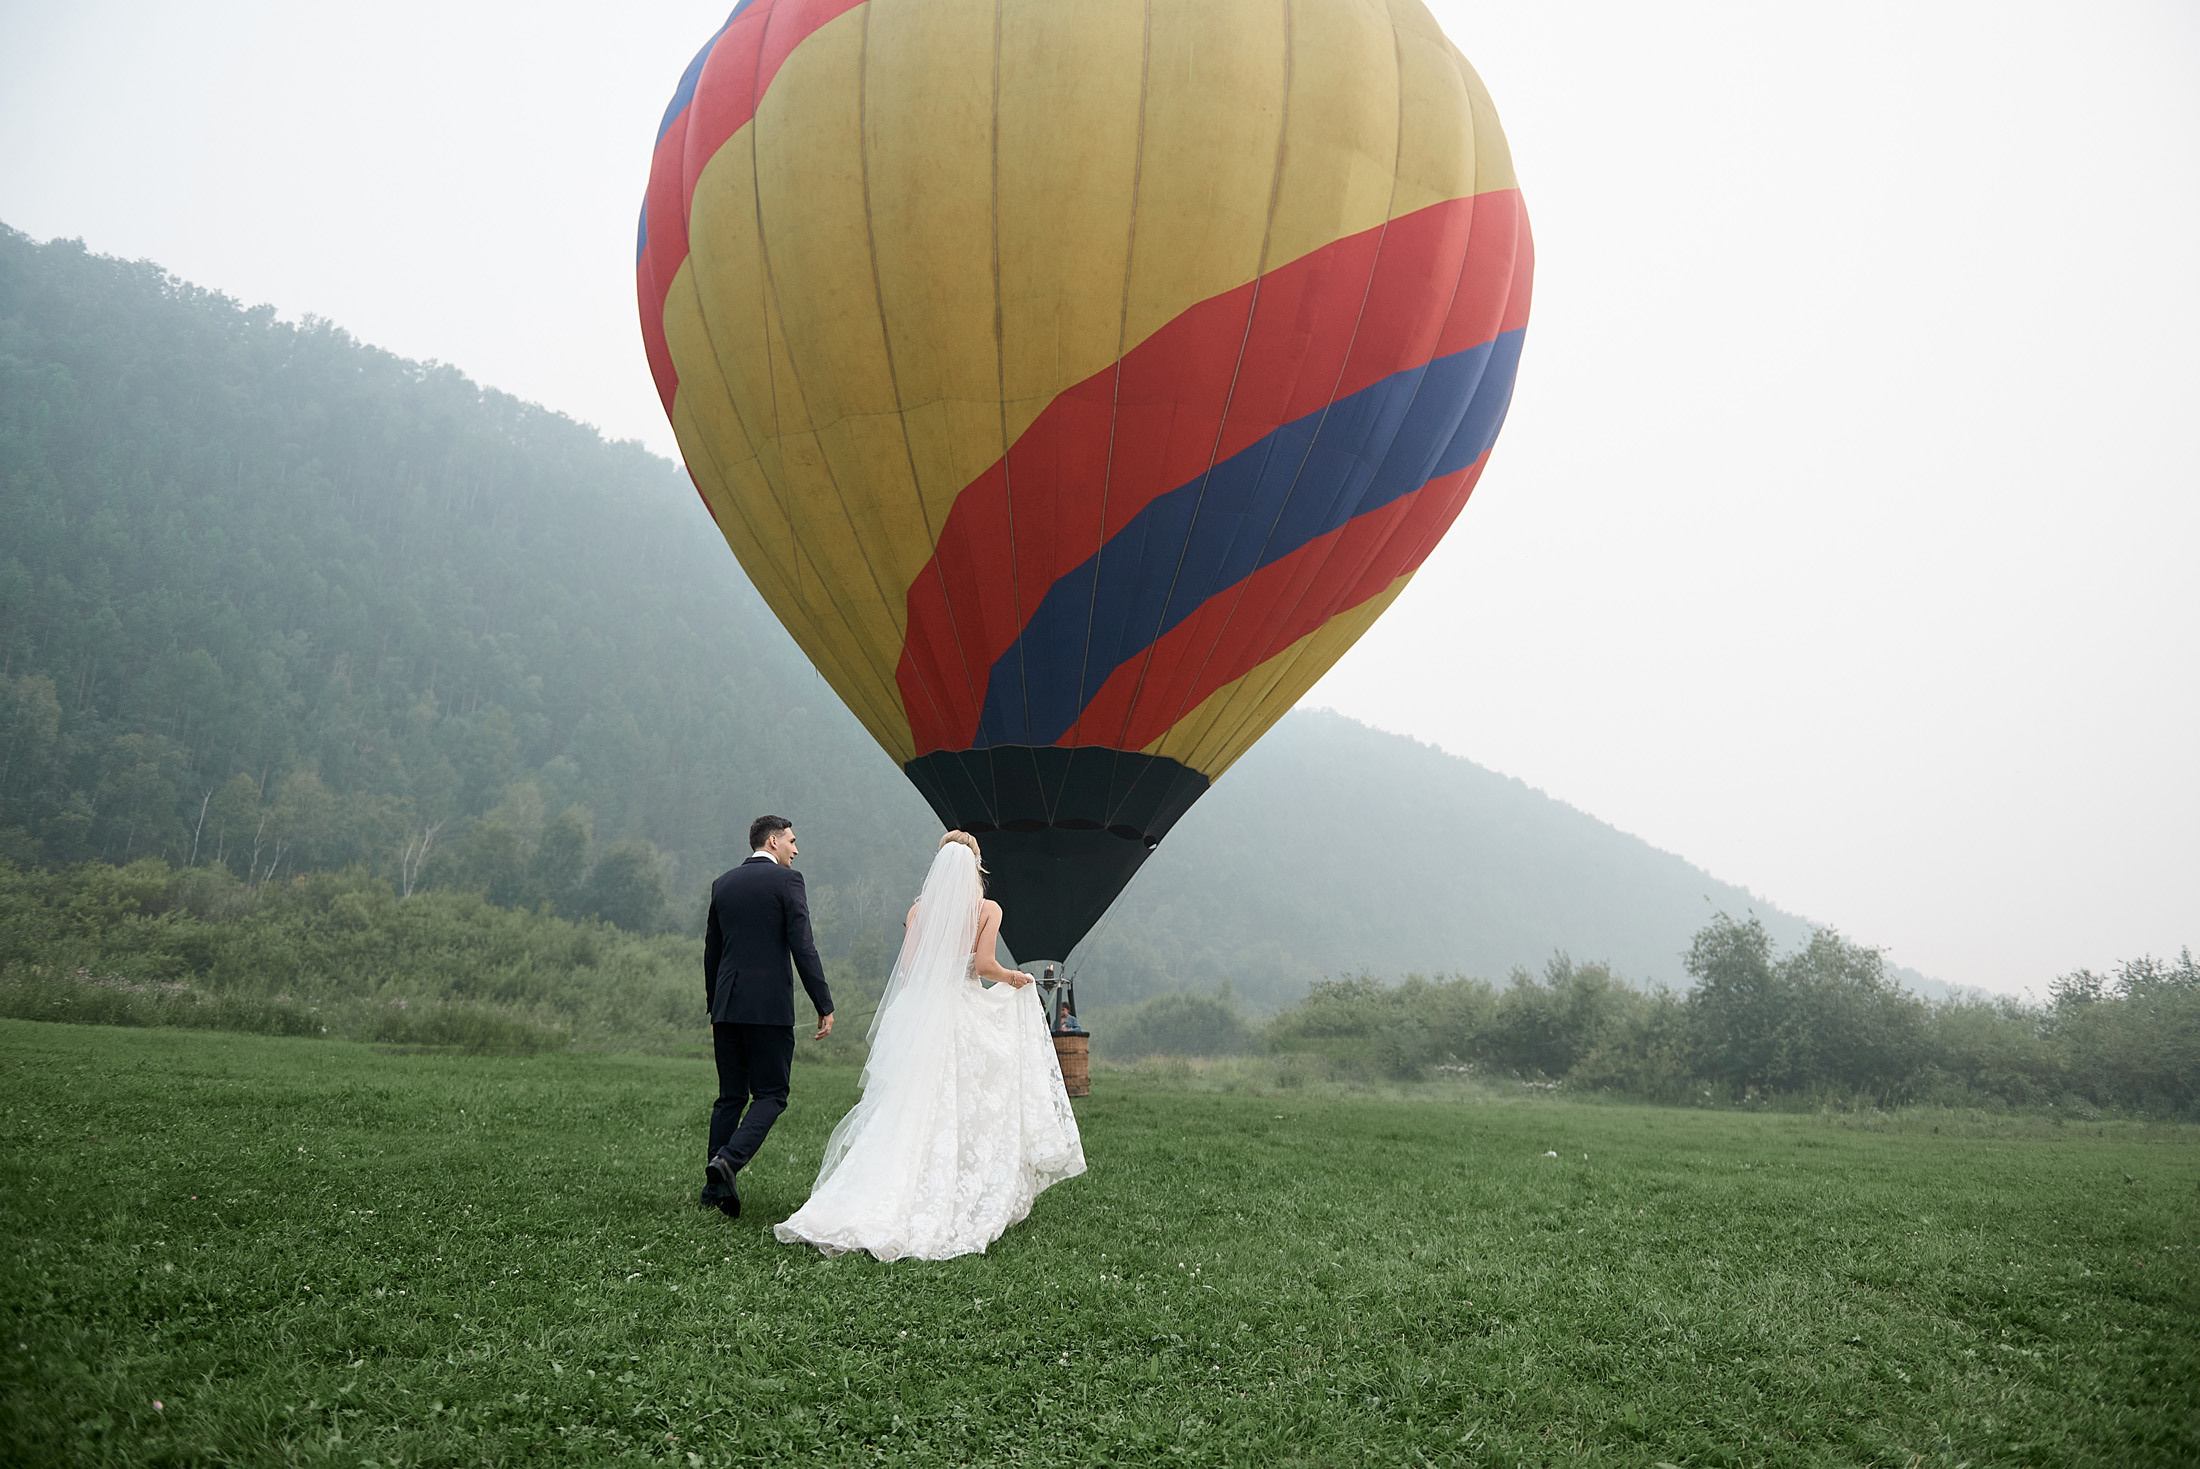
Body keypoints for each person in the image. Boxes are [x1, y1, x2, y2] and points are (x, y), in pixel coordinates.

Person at [774, 831, 1085, 1260]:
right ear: (975, 868)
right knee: (966, 1100)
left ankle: (877, 1192)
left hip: (924, 1013)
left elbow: (909, 967)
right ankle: (958, 1183)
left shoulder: (918, 911)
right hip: (962, 1011)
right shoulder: (986, 910)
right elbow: (984, 966)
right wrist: (1019, 979)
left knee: (912, 1102)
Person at [700, 814, 834, 1219]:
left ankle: (712, 1194)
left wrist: (714, 1005)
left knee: (730, 1096)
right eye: (792, 841)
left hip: (727, 1006)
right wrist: (823, 1002)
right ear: (773, 841)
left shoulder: (723, 883)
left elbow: (713, 951)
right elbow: (803, 946)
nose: (796, 848)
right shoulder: (788, 882)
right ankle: (728, 1161)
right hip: (768, 1008)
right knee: (772, 1095)